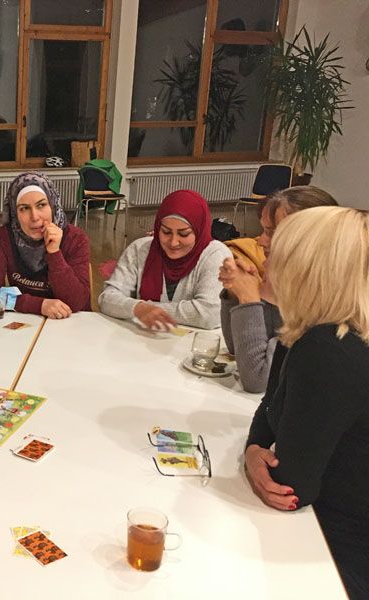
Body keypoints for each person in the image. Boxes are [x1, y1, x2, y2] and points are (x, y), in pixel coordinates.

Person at [243, 207, 369, 598]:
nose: (264, 260)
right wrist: (253, 448)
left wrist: (258, 459)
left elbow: (290, 486)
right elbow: (270, 405)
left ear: (308, 268)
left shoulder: (329, 349)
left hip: (337, 553)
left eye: (277, 254)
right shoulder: (316, 330)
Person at [219, 186, 337, 393]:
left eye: (272, 233)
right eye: (264, 230)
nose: (260, 241)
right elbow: (237, 349)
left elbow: (257, 380)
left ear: (310, 240)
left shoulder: (328, 301)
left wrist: (249, 299)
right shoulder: (284, 282)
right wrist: (234, 291)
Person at [100, 190, 230, 330]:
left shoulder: (215, 255)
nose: (173, 242)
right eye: (166, 232)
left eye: (184, 234)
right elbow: (107, 298)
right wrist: (138, 308)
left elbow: (209, 314)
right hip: (143, 338)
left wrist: (147, 309)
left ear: (199, 231)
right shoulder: (140, 249)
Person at [0, 172, 90, 319]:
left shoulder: (75, 238)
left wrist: (54, 253)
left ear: (53, 205)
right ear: (14, 213)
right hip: (27, 320)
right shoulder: (3, 237)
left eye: (41, 205)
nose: (35, 217)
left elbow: (77, 302)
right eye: (24, 208)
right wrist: (39, 305)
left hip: (72, 323)